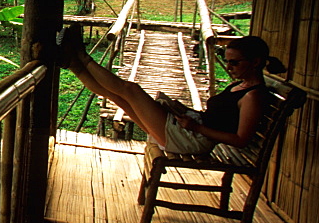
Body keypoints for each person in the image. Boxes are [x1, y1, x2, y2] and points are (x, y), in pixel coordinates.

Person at [58, 29, 286, 154]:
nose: (229, 68)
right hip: (190, 128)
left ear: (255, 62)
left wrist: (196, 126)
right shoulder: (240, 85)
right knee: (119, 98)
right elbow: (219, 117)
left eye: (234, 63)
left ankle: (80, 54)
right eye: (227, 62)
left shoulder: (253, 96)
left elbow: (240, 140)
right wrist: (182, 109)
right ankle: (72, 62)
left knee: (131, 89)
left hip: (193, 140)